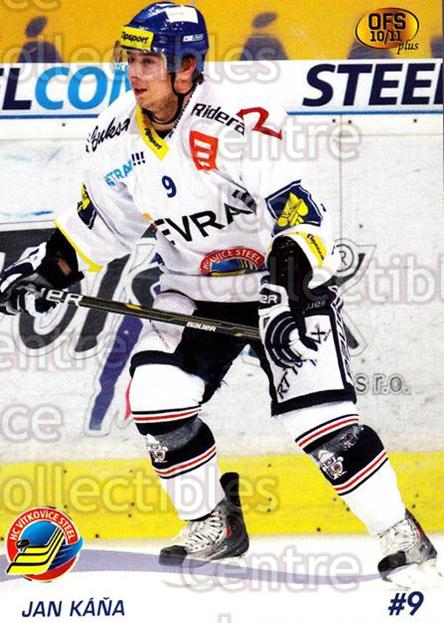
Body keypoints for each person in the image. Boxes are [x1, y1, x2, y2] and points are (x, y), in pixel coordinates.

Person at [0, 2, 438, 585]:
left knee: (324, 421)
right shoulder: (112, 139)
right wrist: (47, 272)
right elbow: (96, 228)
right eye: (130, 60)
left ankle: (399, 533)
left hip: (282, 284)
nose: (134, 73)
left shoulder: (240, 120)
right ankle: (213, 522)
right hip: (192, 290)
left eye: (149, 61)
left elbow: (298, 213)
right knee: (155, 397)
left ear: (186, 67)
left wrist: (289, 295)